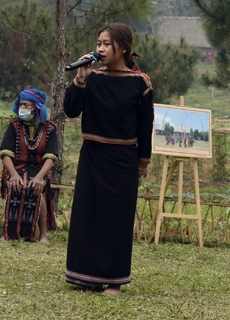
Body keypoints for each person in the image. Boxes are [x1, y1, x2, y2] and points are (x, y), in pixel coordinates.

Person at [64, 23, 154, 295]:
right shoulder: (92, 77)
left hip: (123, 160)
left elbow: (144, 126)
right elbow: (70, 110)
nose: (100, 48)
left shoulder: (140, 83)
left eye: (106, 44)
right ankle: (85, 276)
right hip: (92, 156)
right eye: (98, 43)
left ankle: (114, 281)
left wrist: (143, 162)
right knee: (87, 215)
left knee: (116, 219)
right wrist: (80, 79)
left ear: (123, 48)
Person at [0, 88, 58, 243]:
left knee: (35, 186)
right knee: (17, 183)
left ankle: (43, 234)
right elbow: (6, 153)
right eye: (21, 105)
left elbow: (51, 157)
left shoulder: (50, 128)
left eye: (26, 105)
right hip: (16, 167)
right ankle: (8, 232)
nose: (22, 108)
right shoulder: (14, 126)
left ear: (37, 107)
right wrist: (13, 174)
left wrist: (40, 177)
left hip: (39, 169)